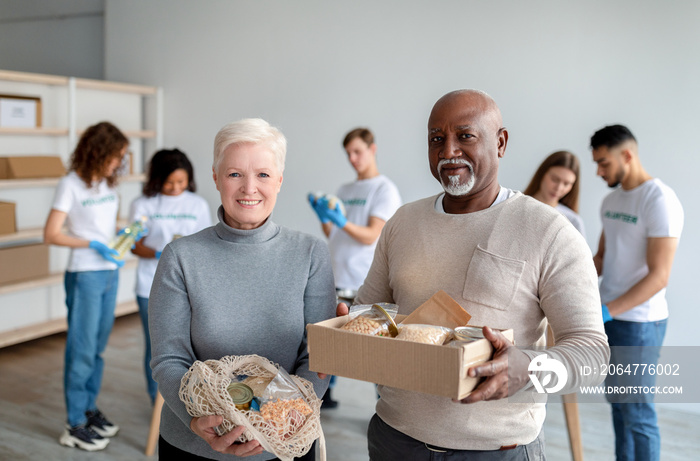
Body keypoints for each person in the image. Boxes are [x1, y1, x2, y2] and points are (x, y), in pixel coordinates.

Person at [341, 89, 609, 460]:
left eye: (465, 136)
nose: (448, 151)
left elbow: (593, 357)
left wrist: (530, 369)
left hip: (496, 451)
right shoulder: (403, 222)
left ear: (500, 143)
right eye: (437, 139)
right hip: (395, 439)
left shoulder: (549, 231)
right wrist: (346, 328)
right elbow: (367, 311)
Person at [148, 118, 336, 460]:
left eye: (263, 174)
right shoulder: (180, 257)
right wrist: (198, 420)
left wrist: (282, 422)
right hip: (193, 445)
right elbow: (168, 359)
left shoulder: (310, 253)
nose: (249, 188)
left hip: (284, 443)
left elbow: (317, 356)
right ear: (216, 178)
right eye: (235, 174)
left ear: (279, 180)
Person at [591, 125, 683, 461]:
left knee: (638, 413)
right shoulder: (610, 201)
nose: (599, 172)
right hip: (609, 317)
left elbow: (659, 277)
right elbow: (602, 258)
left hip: (639, 323)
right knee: (618, 405)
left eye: (604, 163)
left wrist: (608, 310)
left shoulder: (659, 200)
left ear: (626, 155)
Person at [44, 121, 129, 452]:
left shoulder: (108, 186)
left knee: (96, 348)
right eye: (116, 155)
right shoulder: (70, 184)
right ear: (99, 151)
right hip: (84, 274)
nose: (119, 162)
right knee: (80, 350)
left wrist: (124, 235)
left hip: (110, 272)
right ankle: (74, 422)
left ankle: (89, 410)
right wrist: (92, 245)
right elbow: (51, 234)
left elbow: (105, 228)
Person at [308, 127, 402, 408]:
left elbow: (372, 234)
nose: (352, 158)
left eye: (358, 151)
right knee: (332, 341)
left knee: (374, 346)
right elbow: (333, 234)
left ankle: (384, 402)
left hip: (366, 281)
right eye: (348, 153)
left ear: (372, 150)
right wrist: (324, 216)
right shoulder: (345, 190)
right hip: (337, 277)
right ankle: (325, 396)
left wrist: (340, 221)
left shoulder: (384, 189)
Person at [128, 148, 212, 404]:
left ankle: (189, 400)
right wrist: (160, 254)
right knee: (157, 348)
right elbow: (133, 244)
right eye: (169, 182)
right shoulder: (143, 204)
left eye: (181, 181)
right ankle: (158, 402)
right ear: (156, 179)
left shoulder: (197, 204)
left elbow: (207, 245)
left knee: (192, 346)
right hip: (150, 285)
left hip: (190, 287)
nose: (176, 187)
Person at [523, 150, 586, 239]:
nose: (559, 188)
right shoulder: (516, 205)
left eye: (566, 184)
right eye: (555, 179)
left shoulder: (573, 221)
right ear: (542, 174)